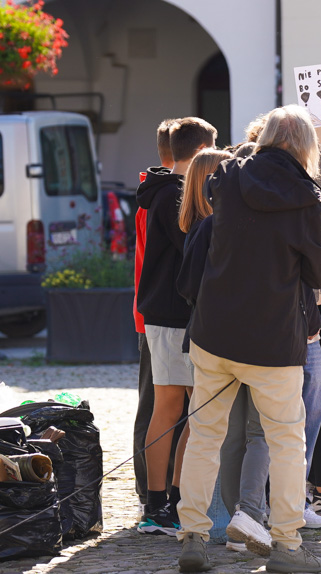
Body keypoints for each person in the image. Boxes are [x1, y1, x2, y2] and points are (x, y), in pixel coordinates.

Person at [176, 105, 321, 573]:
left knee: (205, 435)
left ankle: (192, 538)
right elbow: (320, 272)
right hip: (271, 338)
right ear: (305, 147)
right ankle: (286, 545)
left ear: (264, 138)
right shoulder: (307, 198)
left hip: (214, 331)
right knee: (287, 441)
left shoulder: (227, 177)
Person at [136, 117, 217, 536]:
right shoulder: (174, 193)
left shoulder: (170, 190)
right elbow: (192, 249)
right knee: (178, 410)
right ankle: (160, 504)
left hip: (168, 314)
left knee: (184, 410)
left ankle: (170, 500)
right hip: (171, 315)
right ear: (203, 149)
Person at [133, 118, 178, 514]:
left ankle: (154, 492)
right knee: (157, 405)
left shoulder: (155, 189)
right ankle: (150, 491)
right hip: (161, 312)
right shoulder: (166, 195)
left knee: (157, 403)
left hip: (152, 310)